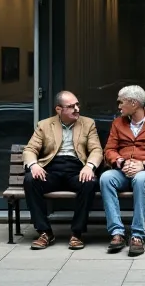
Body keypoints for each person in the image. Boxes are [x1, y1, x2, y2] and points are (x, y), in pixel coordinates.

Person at [22, 90, 103, 250]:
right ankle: (45, 232)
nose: (77, 109)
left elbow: (96, 150)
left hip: (77, 169)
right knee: (30, 180)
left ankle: (77, 233)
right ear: (59, 109)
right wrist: (34, 165)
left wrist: (89, 166)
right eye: (71, 106)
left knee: (89, 182)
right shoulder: (44, 125)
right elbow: (30, 149)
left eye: (77, 105)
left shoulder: (88, 123)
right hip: (51, 169)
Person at [100, 85, 145, 257]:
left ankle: (137, 236)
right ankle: (117, 233)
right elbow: (109, 150)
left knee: (140, 179)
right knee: (105, 178)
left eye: (121, 102)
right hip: (123, 172)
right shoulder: (118, 123)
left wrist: (144, 165)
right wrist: (120, 161)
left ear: (134, 103)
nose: (118, 106)